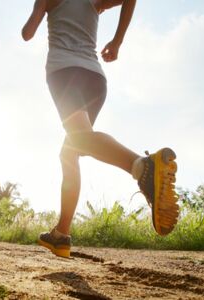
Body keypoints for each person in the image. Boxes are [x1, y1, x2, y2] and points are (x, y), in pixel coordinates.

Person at [22, 0, 179, 258]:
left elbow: (27, 33)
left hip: (64, 72)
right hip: (95, 78)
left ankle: (142, 166)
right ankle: (61, 234)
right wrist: (117, 42)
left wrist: (39, 8)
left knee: (80, 139)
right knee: (70, 150)